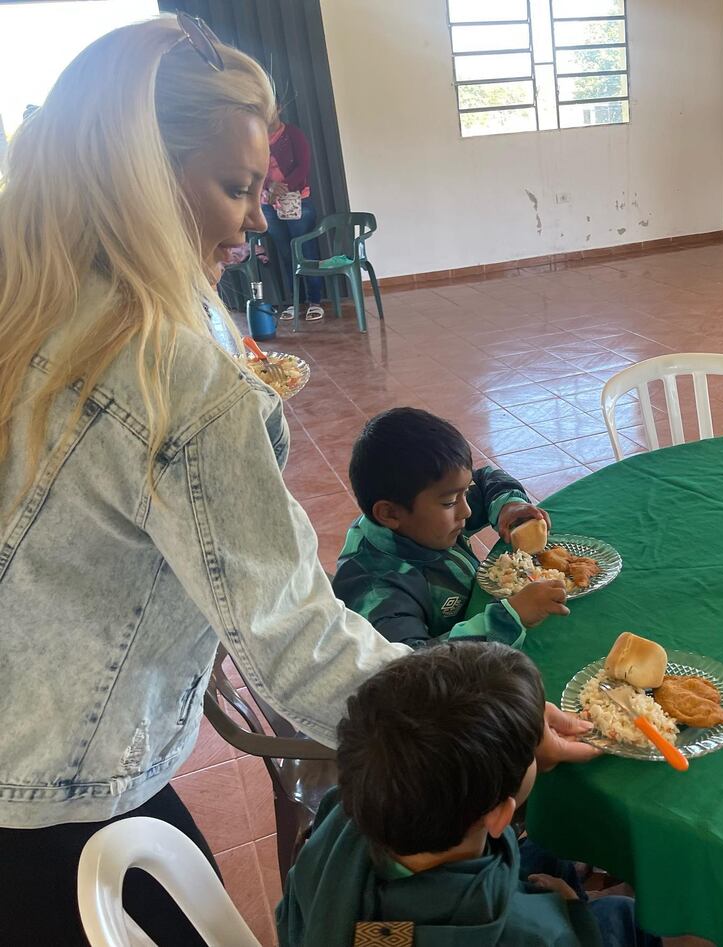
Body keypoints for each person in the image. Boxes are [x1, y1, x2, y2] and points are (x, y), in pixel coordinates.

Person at [0, 15, 415, 944]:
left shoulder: (27, 296)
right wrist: (472, 712)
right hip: (61, 801)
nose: (259, 217)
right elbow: (290, 635)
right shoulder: (176, 371)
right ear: (141, 179)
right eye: (237, 188)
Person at [277, 643, 660, 947]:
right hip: (507, 923)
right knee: (622, 915)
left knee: (547, 853)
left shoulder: (348, 810)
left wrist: (515, 734)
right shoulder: (537, 935)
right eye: (532, 750)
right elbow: (553, 935)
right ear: (498, 816)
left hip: (380, 916)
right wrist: (573, 913)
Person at [333, 406, 571, 649]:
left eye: (465, 493)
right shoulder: (376, 590)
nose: (466, 511)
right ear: (390, 513)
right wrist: (510, 618)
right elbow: (414, 667)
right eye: (449, 502)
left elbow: (485, 480)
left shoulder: (425, 520)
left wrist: (508, 506)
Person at [262, 107, 325, 322]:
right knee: (285, 253)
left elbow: (303, 166)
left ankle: (315, 301)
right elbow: (250, 168)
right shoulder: (255, 139)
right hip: (269, 204)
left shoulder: (293, 134)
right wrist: (269, 188)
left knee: (305, 250)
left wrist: (284, 186)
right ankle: (293, 301)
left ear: (278, 109)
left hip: (298, 201)